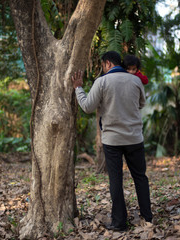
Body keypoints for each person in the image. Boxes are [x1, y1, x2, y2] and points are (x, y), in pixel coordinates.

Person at [71, 51, 153, 231]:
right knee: (140, 177)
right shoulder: (136, 81)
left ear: (107, 63)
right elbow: (141, 103)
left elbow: (87, 107)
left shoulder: (102, 82)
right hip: (134, 138)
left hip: (112, 140)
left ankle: (119, 222)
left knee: (116, 180)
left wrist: (78, 88)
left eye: (102, 65)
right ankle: (148, 217)